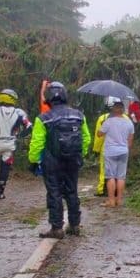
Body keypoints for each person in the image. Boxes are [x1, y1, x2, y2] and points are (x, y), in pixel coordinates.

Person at [29, 81, 90, 238]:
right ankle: (75, 225)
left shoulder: (43, 118)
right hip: (73, 160)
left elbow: (37, 143)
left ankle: (56, 228)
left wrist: (34, 160)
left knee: (54, 192)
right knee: (72, 191)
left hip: (52, 161)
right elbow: (86, 138)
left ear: (48, 98)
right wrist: (80, 154)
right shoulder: (79, 115)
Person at [97, 98, 134, 207]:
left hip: (110, 152)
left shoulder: (108, 121)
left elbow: (99, 134)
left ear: (114, 109)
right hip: (123, 151)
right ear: (122, 110)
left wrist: (103, 125)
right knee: (121, 177)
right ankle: (119, 200)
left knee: (111, 176)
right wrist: (126, 149)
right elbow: (130, 139)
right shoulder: (129, 123)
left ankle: (111, 201)